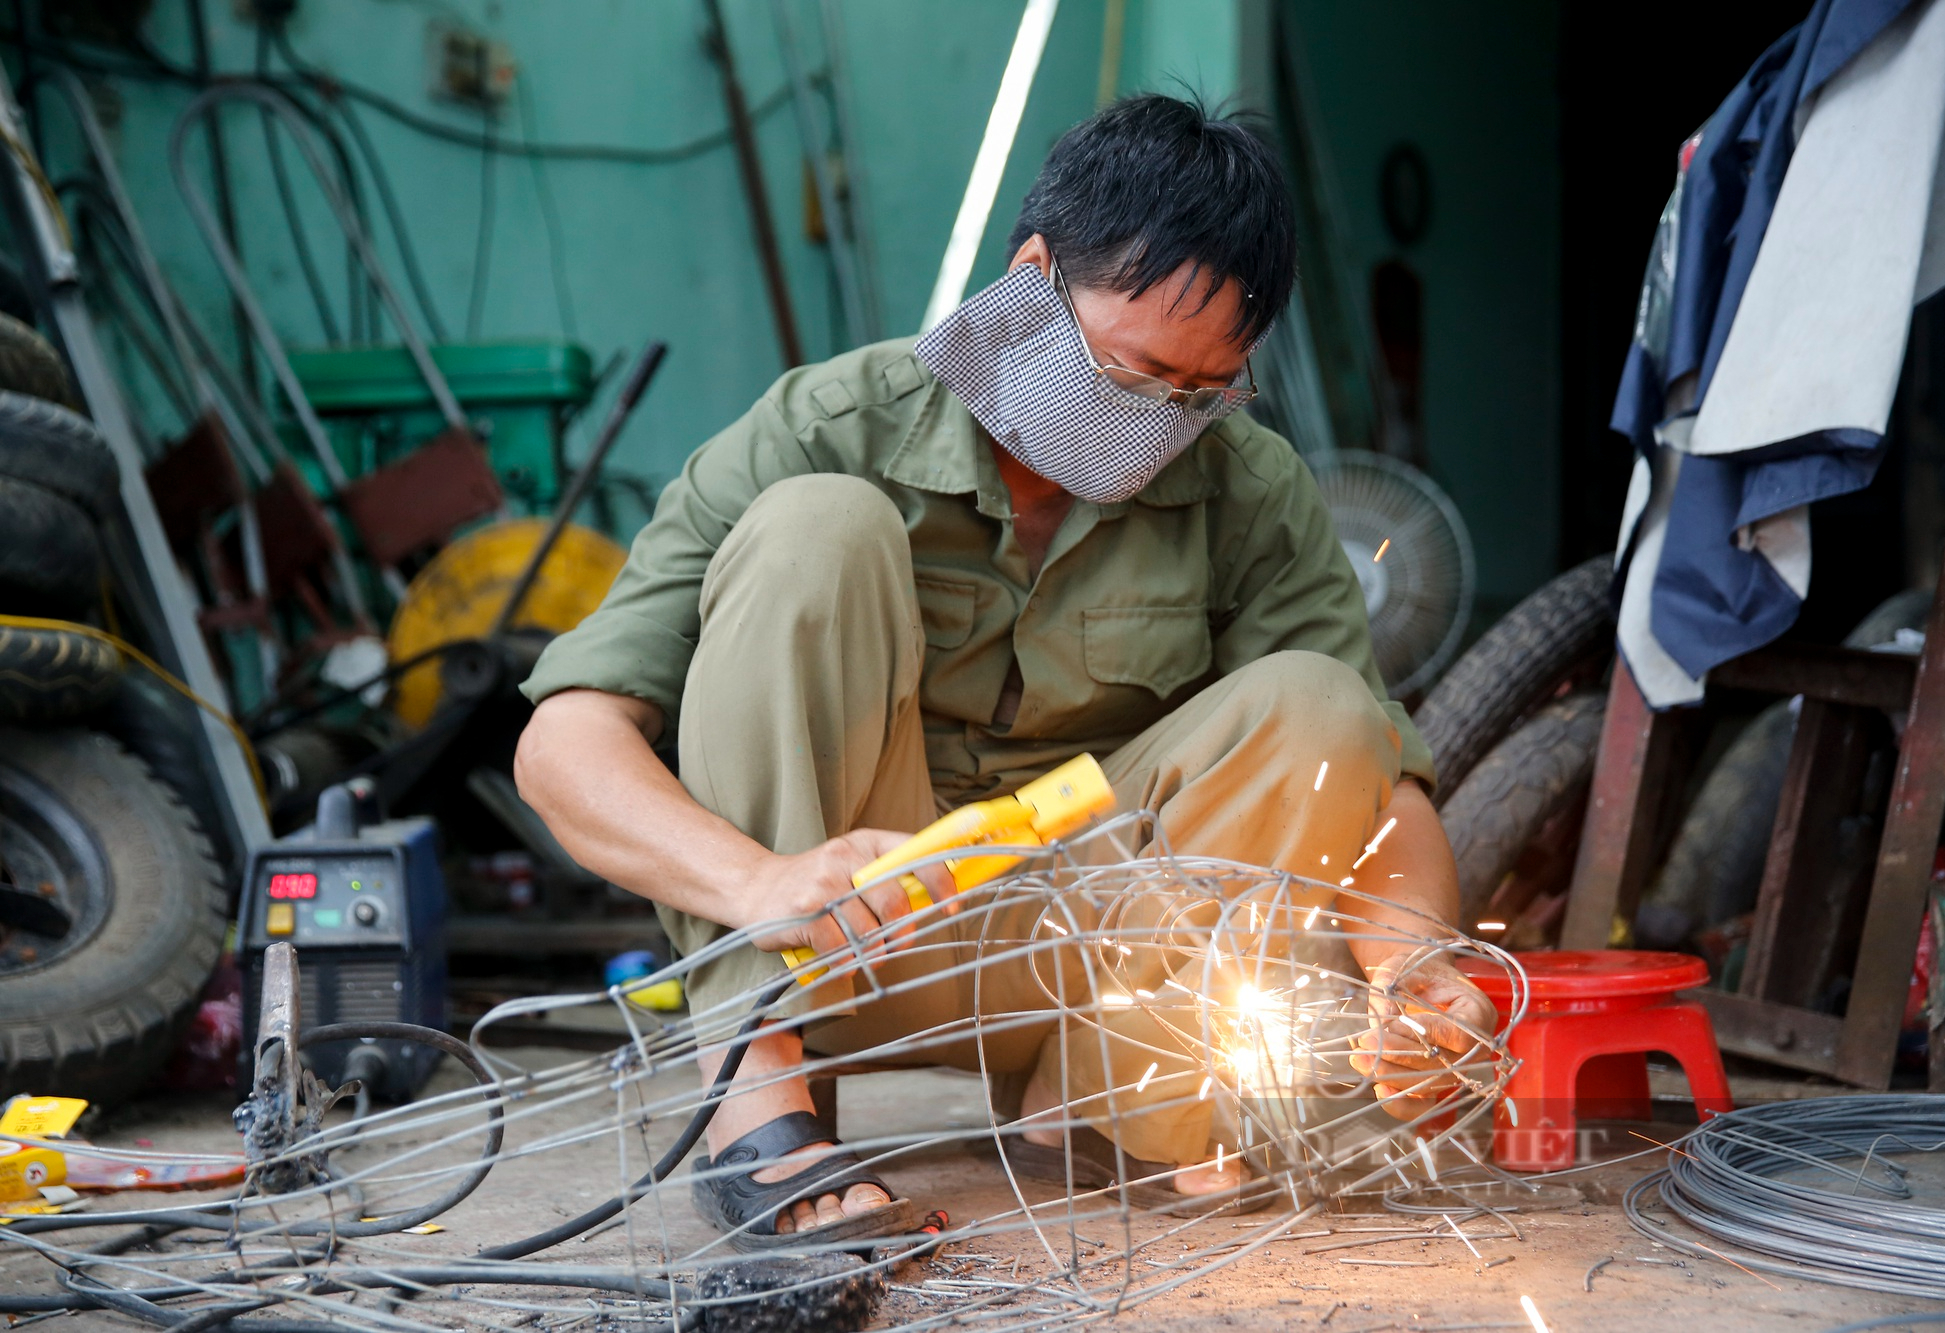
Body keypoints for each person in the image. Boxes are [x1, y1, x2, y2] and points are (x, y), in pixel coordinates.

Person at [515, 94, 1496, 1250]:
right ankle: (757, 1095)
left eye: (1199, 394)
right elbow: (561, 746)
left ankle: (1111, 1107)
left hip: (1081, 956)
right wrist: (754, 885)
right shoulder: (823, 425)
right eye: (1132, 373)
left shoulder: (1248, 487)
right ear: (1033, 277)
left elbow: (1378, 784)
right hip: (836, 928)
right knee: (815, 531)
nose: (1156, 421)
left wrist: (1418, 969)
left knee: (1323, 703)